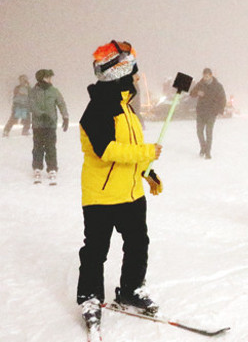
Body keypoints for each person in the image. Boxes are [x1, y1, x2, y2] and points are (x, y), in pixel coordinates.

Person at [77, 41, 164, 330]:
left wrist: (147, 173)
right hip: (102, 195)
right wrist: (145, 153)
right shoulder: (97, 108)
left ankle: (131, 289)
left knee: (138, 244)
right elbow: (106, 150)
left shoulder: (126, 108)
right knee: (96, 250)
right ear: (120, 73)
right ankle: (90, 298)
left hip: (131, 194)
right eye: (134, 72)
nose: (138, 77)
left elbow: (132, 148)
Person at [29, 69, 69, 185]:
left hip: (50, 125)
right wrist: (42, 115)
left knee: (51, 146)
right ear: (41, 78)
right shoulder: (33, 92)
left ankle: (52, 168)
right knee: (38, 146)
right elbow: (31, 105)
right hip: (38, 125)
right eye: (48, 77)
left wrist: (65, 117)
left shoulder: (54, 91)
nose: (50, 79)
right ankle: (37, 167)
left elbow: (61, 103)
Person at [190, 68, 226, 159]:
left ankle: (208, 153)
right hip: (201, 112)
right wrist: (197, 92)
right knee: (199, 132)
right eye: (204, 76)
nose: (205, 78)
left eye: (207, 76)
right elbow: (191, 93)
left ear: (211, 75)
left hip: (211, 113)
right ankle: (203, 147)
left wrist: (219, 111)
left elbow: (222, 99)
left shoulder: (218, 86)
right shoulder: (200, 84)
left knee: (209, 133)